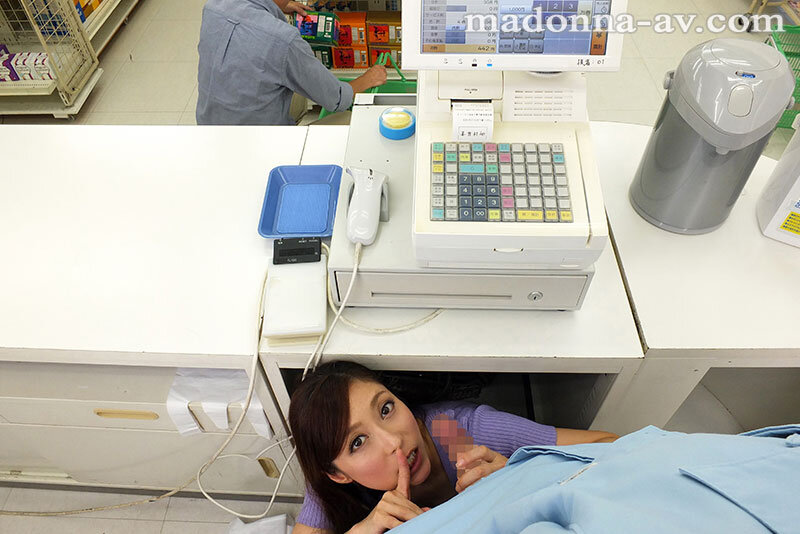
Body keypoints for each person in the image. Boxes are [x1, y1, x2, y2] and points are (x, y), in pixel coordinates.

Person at [289, 361, 618, 534]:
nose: (394, 441)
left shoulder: (456, 434)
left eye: (386, 408)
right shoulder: (332, 489)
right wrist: (364, 530)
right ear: (338, 474)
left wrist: (522, 472)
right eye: (358, 442)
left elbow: (611, 444)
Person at [196, 0, 387, 125]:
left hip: (208, 127)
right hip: (261, 144)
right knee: (349, 118)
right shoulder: (284, 40)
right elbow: (336, 99)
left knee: (294, 83)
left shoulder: (213, 7)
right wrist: (367, 79)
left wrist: (280, 4)